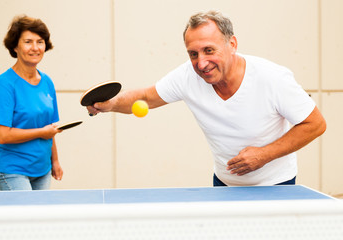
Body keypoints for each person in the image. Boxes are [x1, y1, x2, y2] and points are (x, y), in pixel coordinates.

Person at [86, 11, 327, 186]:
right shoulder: (187, 76)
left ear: (232, 44)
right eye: (193, 53)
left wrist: (264, 155)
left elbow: (315, 124)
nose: (201, 63)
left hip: (276, 184)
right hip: (224, 183)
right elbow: (146, 97)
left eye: (209, 50)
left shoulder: (272, 78)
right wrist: (110, 104)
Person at [0, 15, 63, 191]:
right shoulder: (4, 85)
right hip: (12, 170)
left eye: (40, 42)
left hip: (42, 170)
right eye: (28, 42)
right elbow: (2, 135)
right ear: (15, 46)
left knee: (40, 219)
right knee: (25, 218)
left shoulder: (47, 82)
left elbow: (50, 128)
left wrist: (55, 161)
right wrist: (41, 132)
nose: (35, 48)